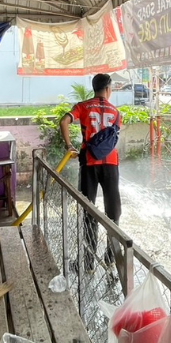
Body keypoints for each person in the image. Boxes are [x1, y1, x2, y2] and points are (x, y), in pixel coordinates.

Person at [60, 73, 121, 270]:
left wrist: (69, 146)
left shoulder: (82, 106)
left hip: (88, 162)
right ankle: (111, 257)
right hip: (111, 163)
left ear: (94, 88)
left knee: (88, 209)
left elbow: (64, 121)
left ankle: (87, 262)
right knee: (113, 210)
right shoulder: (116, 112)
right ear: (108, 89)